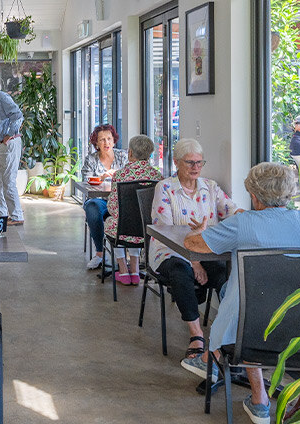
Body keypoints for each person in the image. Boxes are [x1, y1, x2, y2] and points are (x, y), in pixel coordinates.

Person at [178, 162, 300, 424]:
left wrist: (198, 231)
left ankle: (247, 387)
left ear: (254, 196)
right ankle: (222, 367)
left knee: (242, 300)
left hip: (252, 333)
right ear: (288, 194)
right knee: (239, 293)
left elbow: (192, 245)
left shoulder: (243, 223)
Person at [151, 139, 236, 372]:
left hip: (206, 251)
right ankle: (196, 335)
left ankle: (230, 336)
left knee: (225, 273)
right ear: (177, 162)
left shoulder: (210, 186)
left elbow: (230, 210)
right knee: (181, 272)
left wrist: (252, 217)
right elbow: (167, 231)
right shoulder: (165, 188)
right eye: (190, 162)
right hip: (169, 250)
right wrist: (194, 261)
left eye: (199, 162)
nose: (195, 167)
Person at [104, 135, 163, 285]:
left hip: (123, 232)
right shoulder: (157, 176)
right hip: (147, 234)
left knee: (115, 221)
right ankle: (135, 269)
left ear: (130, 153)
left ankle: (123, 270)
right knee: (138, 221)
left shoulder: (120, 175)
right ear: (150, 154)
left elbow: (113, 208)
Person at [78, 124, 121, 270]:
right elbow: (86, 181)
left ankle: (131, 258)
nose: (106, 143)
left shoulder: (123, 157)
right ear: (96, 143)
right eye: (102, 140)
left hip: (119, 201)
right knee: (92, 207)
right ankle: (100, 254)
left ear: (114, 141)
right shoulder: (91, 159)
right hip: (100, 200)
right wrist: (102, 177)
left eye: (109, 139)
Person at [0, 75, 25, 224]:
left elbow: (17, 115)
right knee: (0, 182)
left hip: (9, 144)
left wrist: (9, 134)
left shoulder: (3, 98)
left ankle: (16, 216)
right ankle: (1, 214)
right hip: (2, 145)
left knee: (8, 181)